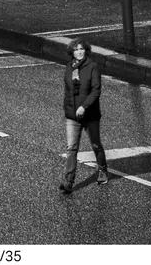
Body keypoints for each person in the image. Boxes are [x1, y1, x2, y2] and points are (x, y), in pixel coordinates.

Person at [59, 38, 108, 192]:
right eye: (76, 49)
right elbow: (68, 90)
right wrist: (68, 108)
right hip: (72, 116)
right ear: (72, 52)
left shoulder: (92, 67)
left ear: (86, 50)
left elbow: (96, 90)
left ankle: (102, 169)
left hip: (90, 115)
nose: (79, 52)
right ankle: (68, 182)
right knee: (71, 148)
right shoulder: (69, 67)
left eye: (81, 49)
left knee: (95, 144)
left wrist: (84, 107)